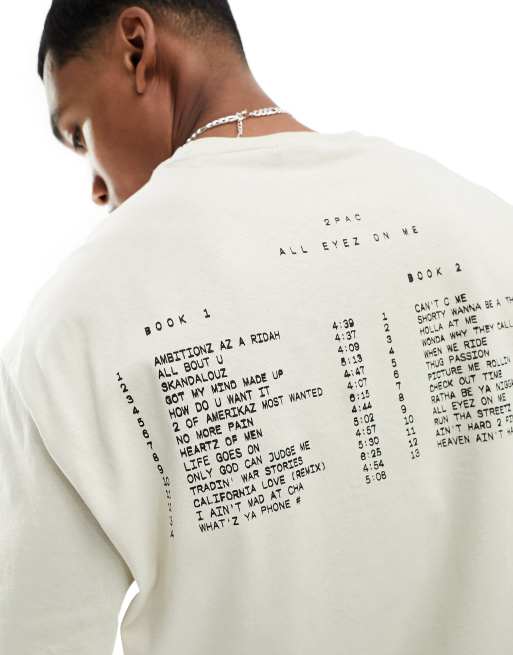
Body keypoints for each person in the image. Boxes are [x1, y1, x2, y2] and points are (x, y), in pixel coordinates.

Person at [1, 1, 513, 653]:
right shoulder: (487, 227)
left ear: (136, 47)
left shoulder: (74, 323)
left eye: (78, 133)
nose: (96, 188)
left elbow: (36, 635)